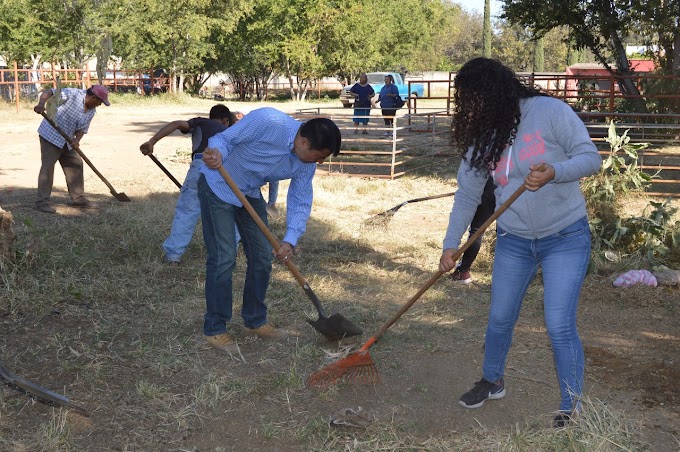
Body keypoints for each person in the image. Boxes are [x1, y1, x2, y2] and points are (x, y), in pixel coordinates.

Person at [438, 58, 601, 428]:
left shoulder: (548, 112)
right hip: (514, 239)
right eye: (467, 102)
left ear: (495, 92)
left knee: (559, 324)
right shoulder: (482, 137)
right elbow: (467, 195)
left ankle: (571, 405)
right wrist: (451, 244)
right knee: (499, 317)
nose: (471, 108)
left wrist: (554, 172)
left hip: (565, 236)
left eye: (476, 99)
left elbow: (591, 159)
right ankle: (492, 380)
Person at [198, 107, 341, 353]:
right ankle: (215, 328)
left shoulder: (306, 163)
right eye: (319, 156)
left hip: (249, 192)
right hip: (219, 184)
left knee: (262, 257)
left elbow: (300, 198)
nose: (319, 162)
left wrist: (291, 239)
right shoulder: (268, 121)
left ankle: (254, 320)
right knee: (224, 257)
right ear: (304, 142)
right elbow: (223, 138)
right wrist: (217, 154)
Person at [140, 104, 235, 263]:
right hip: (225, 170)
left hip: (201, 165)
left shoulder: (202, 123)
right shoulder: (230, 131)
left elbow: (177, 124)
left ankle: (173, 255)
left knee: (187, 211)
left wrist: (152, 141)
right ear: (226, 120)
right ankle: (230, 249)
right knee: (228, 211)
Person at [33, 84, 110, 213]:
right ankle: (42, 202)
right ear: (92, 97)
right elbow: (48, 92)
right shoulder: (72, 94)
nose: (100, 104)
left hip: (67, 139)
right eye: (100, 101)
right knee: (48, 166)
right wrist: (41, 104)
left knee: (75, 164)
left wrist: (76, 140)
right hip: (50, 136)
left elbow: (82, 129)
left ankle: (78, 199)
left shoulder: (91, 110)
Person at [448, 176, 496, 284]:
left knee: (477, 231)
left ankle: (463, 271)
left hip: (490, 189)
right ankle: (463, 271)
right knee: (503, 234)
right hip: (495, 188)